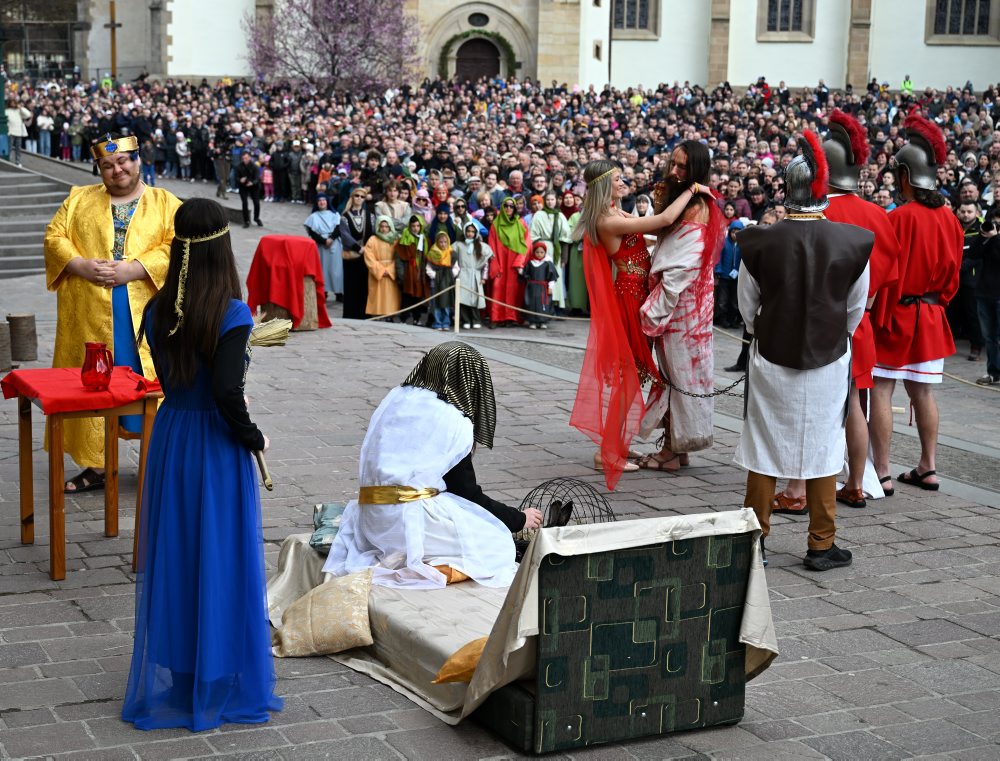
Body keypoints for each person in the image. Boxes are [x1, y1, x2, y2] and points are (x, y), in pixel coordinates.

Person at [122, 198, 282, 730]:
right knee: (219, 554)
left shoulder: (156, 308)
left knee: (181, 553)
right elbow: (225, 390)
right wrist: (252, 435)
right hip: (214, 441)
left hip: (172, 436)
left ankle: (185, 666)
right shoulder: (232, 312)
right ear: (221, 246)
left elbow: (178, 379)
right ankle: (217, 666)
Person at [735, 131, 872, 571]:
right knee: (824, 443)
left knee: (763, 444)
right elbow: (855, 309)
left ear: (786, 190)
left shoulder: (758, 241)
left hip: (771, 353)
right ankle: (821, 541)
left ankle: (754, 540)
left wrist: (769, 332)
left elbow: (746, 307)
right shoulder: (854, 242)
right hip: (829, 356)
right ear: (823, 190)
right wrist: (831, 337)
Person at [323, 342, 543, 588]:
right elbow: (466, 492)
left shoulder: (397, 398)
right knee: (496, 545)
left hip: (370, 519)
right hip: (405, 524)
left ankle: (419, 556)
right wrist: (517, 519)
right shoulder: (451, 419)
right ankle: (426, 568)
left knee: (461, 518)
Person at [774, 109, 902, 514]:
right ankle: (855, 484)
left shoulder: (814, 211)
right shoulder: (879, 215)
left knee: (810, 406)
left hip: (816, 323)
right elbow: (888, 280)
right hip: (859, 321)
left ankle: (796, 488)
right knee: (855, 405)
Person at [44, 133, 181, 493]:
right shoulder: (79, 199)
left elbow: (177, 245)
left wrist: (135, 268)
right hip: (89, 309)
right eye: (107, 165)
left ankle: (160, 461)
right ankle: (96, 465)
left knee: (147, 380)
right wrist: (81, 265)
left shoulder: (166, 203)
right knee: (92, 383)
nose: (116, 169)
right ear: (100, 169)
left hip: (144, 310)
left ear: (139, 162)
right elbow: (54, 237)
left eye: (123, 162)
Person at [569, 159, 714, 488]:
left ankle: (615, 445)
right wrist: (691, 189)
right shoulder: (608, 220)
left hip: (637, 296)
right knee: (629, 382)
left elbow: (659, 227)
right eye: (618, 179)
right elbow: (662, 220)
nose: (624, 183)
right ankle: (607, 453)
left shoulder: (617, 215)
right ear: (606, 185)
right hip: (630, 300)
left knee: (630, 381)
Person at [870, 112, 963, 495]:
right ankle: (929, 466)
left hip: (898, 314)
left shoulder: (900, 217)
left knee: (881, 388)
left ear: (906, 176)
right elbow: (953, 278)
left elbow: (885, 271)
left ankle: (883, 470)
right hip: (931, 315)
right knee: (922, 392)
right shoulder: (951, 218)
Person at [638, 140, 726, 471]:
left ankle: (672, 452)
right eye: (673, 164)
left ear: (697, 171)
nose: (675, 171)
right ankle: (676, 448)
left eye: (683, 167)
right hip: (683, 308)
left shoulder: (698, 206)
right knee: (675, 378)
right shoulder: (686, 198)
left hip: (684, 311)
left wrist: (655, 310)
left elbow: (682, 267)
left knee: (680, 380)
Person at [486, 197, 532, 325]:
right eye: (506, 205)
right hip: (500, 262)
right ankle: (496, 317)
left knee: (514, 290)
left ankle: (511, 317)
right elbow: (491, 246)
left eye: (512, 206)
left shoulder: (521, 223)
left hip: (514, 264)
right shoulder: (496, 224)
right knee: (498, 288)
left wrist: (519, 262)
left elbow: (527, 244)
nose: (508, 208)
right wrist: (495, 265)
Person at [529, 190, 571, 312]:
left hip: (555, 250)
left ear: (556, 201)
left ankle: (555, 304)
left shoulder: (560, 215)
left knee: (555, 277)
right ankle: (542, 304)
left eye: (552, 199)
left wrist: (564, 257)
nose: (550, 202)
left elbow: (565, 237)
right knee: (542, 275)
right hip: (541, 247)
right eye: (547, 200)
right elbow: (533, 234)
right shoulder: (539, 215)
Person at [972, 206, 1000, 384]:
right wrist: (983, 236)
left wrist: (996, 238)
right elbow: (973, 254)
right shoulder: (987, 238)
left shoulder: (996, 240)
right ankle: (993, 371)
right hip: (984, 293)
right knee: (989, 337)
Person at [340, 187, 374, 320]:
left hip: (366, 255)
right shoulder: (345, 216)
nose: (359, 198)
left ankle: (363, 313)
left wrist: (368, 248)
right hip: (351, 256)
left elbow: (373, 234)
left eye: (362, 196)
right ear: (352, 197)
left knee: (364, 285)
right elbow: (344, 234)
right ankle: (350, 313)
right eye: (357, 196)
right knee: (350, 285)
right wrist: (357, 247)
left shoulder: (370, 215)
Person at [303, 194, 343, 301]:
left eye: (324, 200)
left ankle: (339, 292)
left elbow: (339, 228)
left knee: (336, 270)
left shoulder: (334, 215)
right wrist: (324, 241)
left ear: (327, 202)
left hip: (334, 243)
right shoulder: (313, 217)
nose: (322, 202)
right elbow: (312, 232)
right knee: (322, 269)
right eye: (319, 200)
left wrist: (330, 238)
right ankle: (323, 292)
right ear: (317, 203)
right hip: (321, 245)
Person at [395, 214, 431, 325]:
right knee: (407, 295)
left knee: (418, 296)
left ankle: (417, 318)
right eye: (413, 226)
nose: (415, 228)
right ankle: (404, 318)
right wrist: (401, 273)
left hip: (420, 272)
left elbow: (428, 256)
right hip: (408, 271)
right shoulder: (404, 239)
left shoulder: (425, 240)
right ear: (409, 226)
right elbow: (399, 257)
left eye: (417, 226)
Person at [455, 221, 492, 329]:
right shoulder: (459, 245)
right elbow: (454, 260)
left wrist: (484, 277)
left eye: (472, 231)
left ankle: (476, 320)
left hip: (476, 275)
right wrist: (456, 273)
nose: (470, 233)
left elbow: (485, 263)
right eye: (468, 231)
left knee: (475, 299)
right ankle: (465, 320)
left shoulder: (481, 246)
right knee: (463, 298)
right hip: (463, 274)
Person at [363, 216, 401, 318]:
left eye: (386, 226)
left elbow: (399, 256)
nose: (384, 229)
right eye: (382, 226)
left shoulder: (395, 239)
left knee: (391, 296)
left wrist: (390, 270)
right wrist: (379, 270)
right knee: (377, 295)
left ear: (390, 227)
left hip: (391, 272)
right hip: (377, 272)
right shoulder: (372, 240)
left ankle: (391, 315)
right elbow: (369, 256)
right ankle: (377, 314)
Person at [520, 241, 559, 329]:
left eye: (542, 252)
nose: (539, 254)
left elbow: (552, 277)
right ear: (534, 252)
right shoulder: (530, 263)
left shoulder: (548, 264)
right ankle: (532, 321)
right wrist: (521, 272)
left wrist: (550, 287)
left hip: (543, 288)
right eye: (537, 252)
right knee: (531, 304)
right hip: (532, 288)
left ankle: (543, 321)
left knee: (543, 304)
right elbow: (525, 274)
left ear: (545, 252)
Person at [426, 230, 458, 330]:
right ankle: (437, 322)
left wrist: (449, 275)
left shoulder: (452, 254)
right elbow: (428, 268)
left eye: (445, 242)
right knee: (436, 303)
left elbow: (456, 268)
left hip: (447, 283)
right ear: (437, 242)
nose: (443, 244)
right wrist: (436, 275)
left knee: (446, 303)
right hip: (435, 283)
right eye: (440, 242)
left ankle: (446, 322)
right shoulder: (432, 253)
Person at [235, 151, 262, 228]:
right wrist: (240, 180)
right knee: (244, 203)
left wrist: (253, 183)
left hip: (254, 186)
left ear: (249, 158)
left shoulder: (254, 166)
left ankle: (256, 218)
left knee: (256, 203)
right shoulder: (239, 166)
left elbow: (257, 178)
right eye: (243, 158)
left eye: (246, 158)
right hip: (243, 186)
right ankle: (246, 221)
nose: (245, 160)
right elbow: (236, 177)